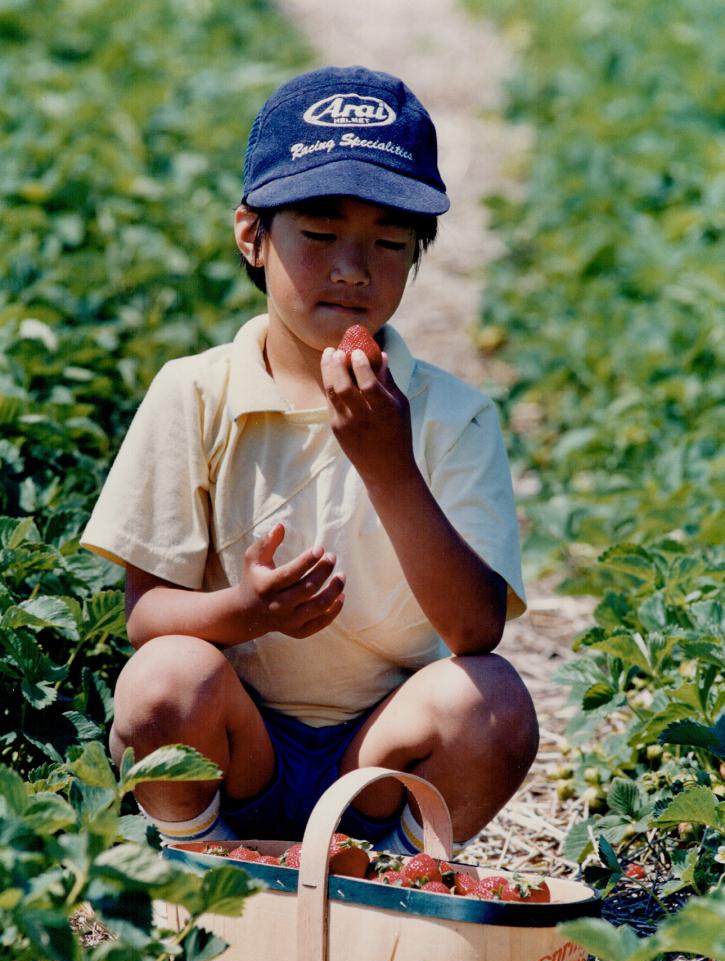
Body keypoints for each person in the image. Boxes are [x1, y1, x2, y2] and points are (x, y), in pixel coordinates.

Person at [81, 65, 538, 855]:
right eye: (319, 235)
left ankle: (391, 862)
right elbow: (145, 617)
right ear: (251, 235)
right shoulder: (193, 391)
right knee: (164, 679)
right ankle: (204, 857)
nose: (353, 268)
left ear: (417, 253)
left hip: (376, 760)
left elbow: (474, 629)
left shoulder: (454, 416)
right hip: (235, 746)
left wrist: (387, 462)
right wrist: (244, 613)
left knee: (493, 704)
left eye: (389, 243)